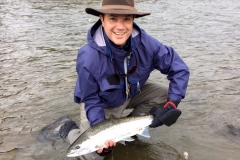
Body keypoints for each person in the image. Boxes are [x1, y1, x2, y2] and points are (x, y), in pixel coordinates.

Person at [37, 0, 190, 159]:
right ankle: (66, 128)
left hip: (131, 92)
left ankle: (129, 131)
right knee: (92, 155)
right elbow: (90, 98)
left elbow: (179, 68)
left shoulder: (147, 43)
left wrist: (172, 103)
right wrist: (100, 130)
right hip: (101, 102)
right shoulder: (88, 56)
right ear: (102, 19)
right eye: (113, 18)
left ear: (133, 20)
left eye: (126, 19)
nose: (120, 26)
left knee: (166, 95)